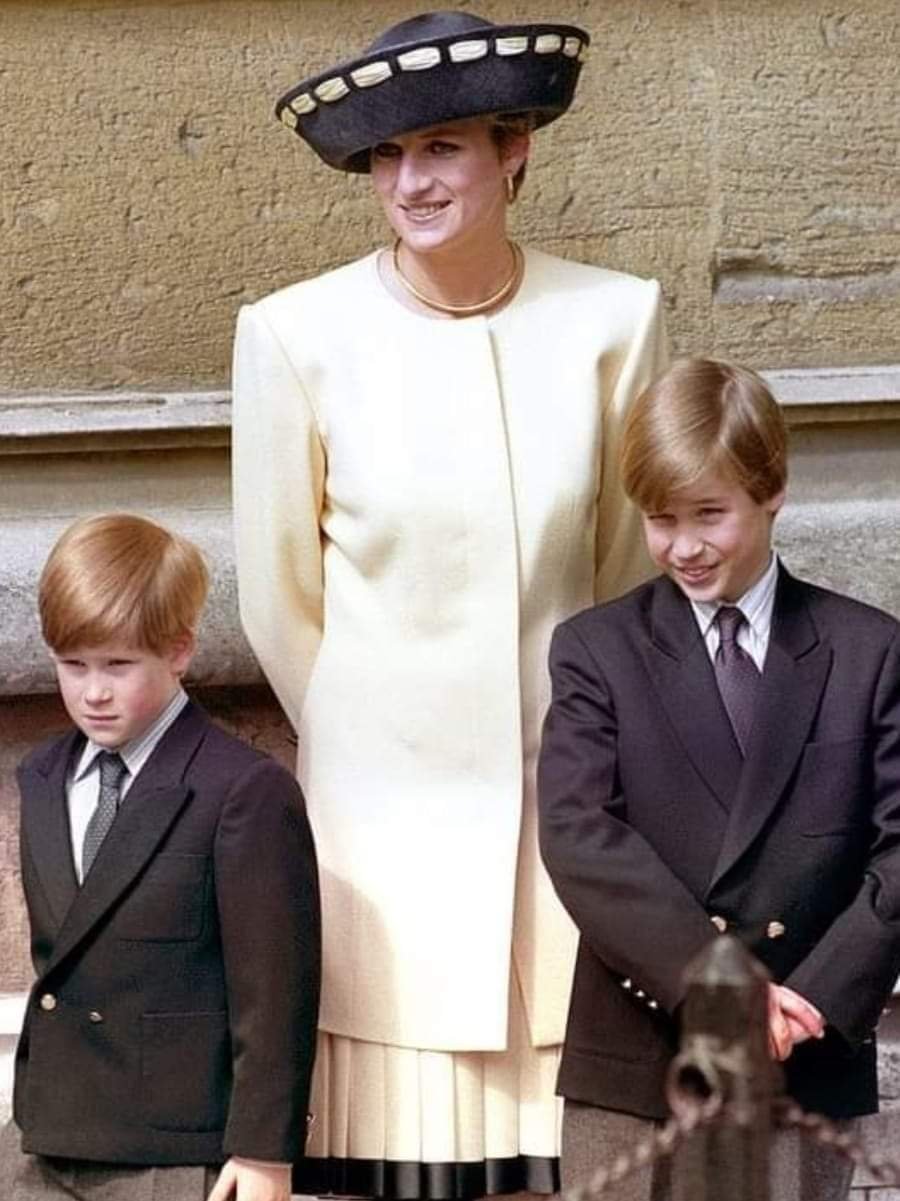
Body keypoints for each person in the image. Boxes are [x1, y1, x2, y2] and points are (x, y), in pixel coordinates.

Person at [232, 10, 667, 1197]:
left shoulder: (615, 318)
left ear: (514, 150)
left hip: (566, 818)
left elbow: (625, 575)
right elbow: (280, 599)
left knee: (572, 1164)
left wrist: (582, 746)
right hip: (381, 838)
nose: (410, 182)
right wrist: (375, 737)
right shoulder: (295, 335)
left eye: (442, 149)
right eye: (388, 155)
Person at [537, 357, 900, 1201]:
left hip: (799, 1049)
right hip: (639, 1062)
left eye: (709, 514)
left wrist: (814, 996)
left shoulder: (870, 651)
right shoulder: (597, 650)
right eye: (660, 519)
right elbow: (579, 836)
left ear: (772, 491)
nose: (684, 546)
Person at [3, 513, 321, 1201]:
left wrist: (265, 1153)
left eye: (118, 665)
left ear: (179, 651)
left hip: (174, 1148)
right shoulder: (44, 775)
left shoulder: (242, 788)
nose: (93, 692)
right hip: (45, 1134)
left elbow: (275, 992)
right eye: (72, 665)